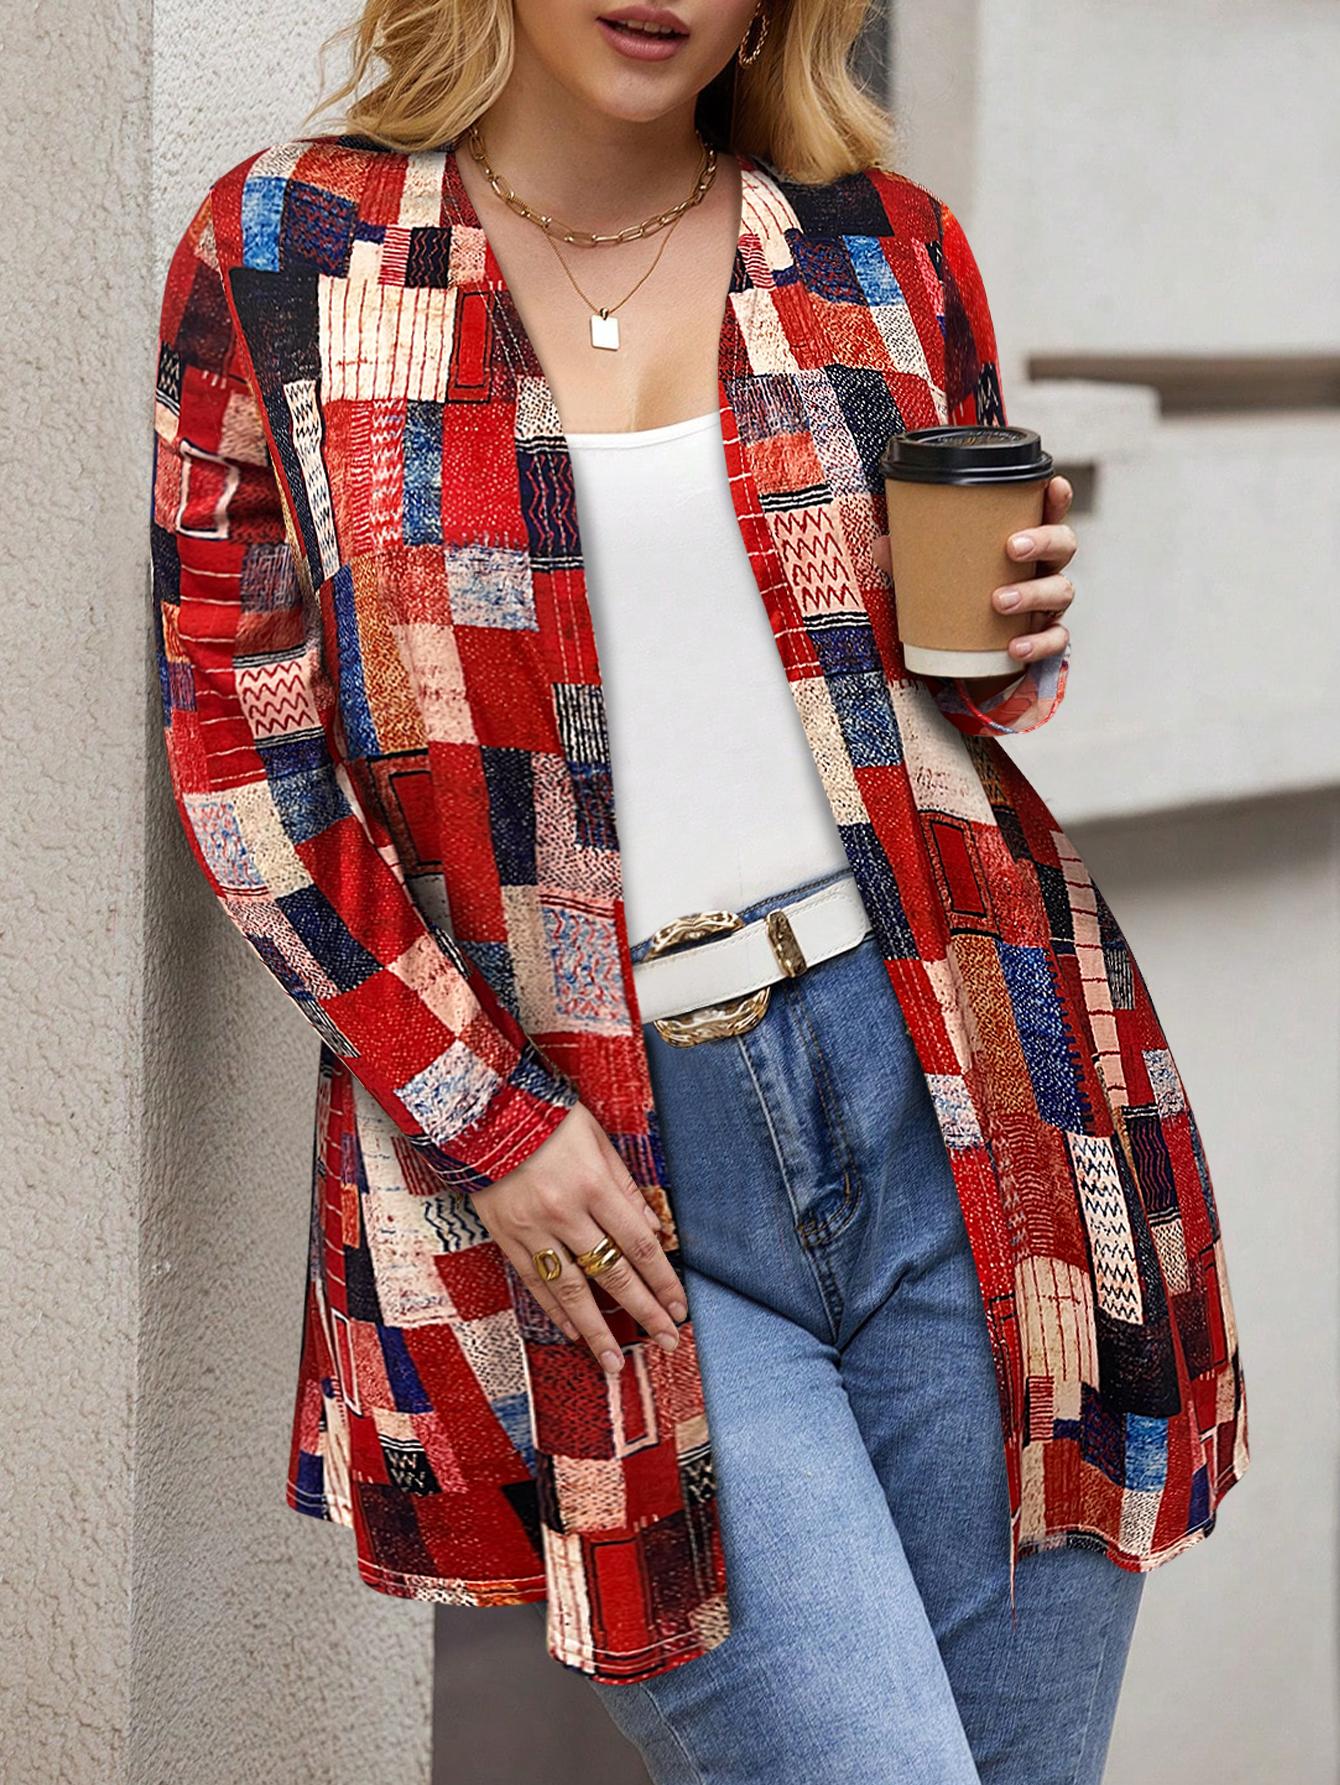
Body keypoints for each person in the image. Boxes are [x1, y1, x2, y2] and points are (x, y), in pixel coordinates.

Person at [149, 2, 1249, 1779]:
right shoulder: (291, 256)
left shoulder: (881, 248)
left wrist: (1020, 630)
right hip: (617, 1187)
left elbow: (943, 699)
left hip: (971, 1119)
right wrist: (493, 1119)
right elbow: (240, 751)